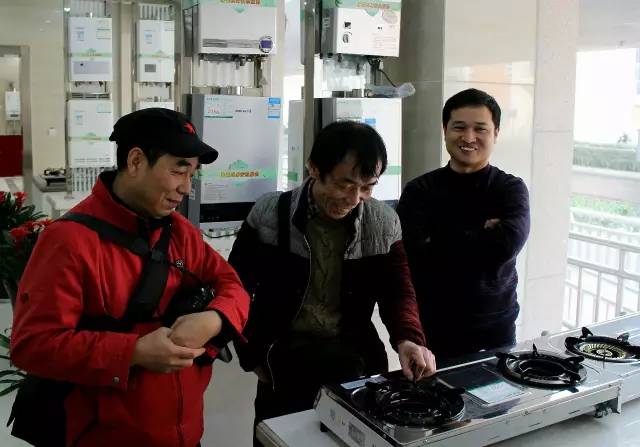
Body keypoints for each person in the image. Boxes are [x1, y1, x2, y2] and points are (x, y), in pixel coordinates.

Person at [10, 108, 250, 447]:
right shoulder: (68, 241)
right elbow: (32, 346)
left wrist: (215, 318)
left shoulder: (180, 233)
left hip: (185, 434)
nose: (186, 188)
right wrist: (133, 352)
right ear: (136, 161)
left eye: (192, 174)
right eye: (178, 170)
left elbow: (233, 285)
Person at [228, 120, 436, 443]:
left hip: (354, 366)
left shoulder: (383, 222)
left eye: (367, 187)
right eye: (344, 184)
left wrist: (409, 339)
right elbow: (234, 287)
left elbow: (398, 292)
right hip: (282, 364)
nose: (354, 198)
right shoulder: (271, 214)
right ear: (314, 168)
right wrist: (251, 353)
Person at [396, 88, 531, 361]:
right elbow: (416, 254)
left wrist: (440, 237)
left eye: (480, 129)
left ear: (496, 133)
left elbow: (506, 245)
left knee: (497, 390)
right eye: (459, 127)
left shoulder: (510, 189)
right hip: (434, 328)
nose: (469, 138)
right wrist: (483, 235)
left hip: (496, 330)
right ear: (445, 130)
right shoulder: (419, 190)